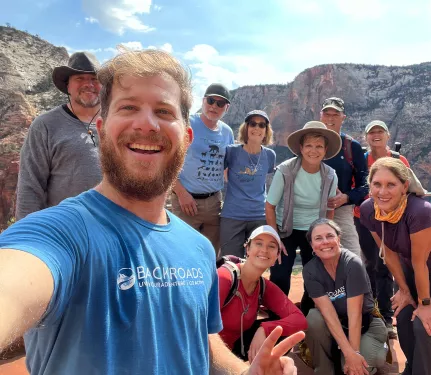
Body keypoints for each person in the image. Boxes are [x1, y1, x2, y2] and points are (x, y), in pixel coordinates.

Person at [0, 49, 304, 375]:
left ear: (187, 139)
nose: (146, 123)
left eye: (163, 111)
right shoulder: (58, 235)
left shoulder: (199, 250)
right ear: (101, 130)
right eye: (129, 107)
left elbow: (200, 337)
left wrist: (246, 372)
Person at [359, 157, 431, 375]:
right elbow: (387, 252)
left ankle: (428, 371)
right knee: (405, 317)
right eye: (377, 184)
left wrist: (425, 303)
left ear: (405, 186)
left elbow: (421, 262)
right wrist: (405, 291)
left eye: (391, 184)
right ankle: (415, 366)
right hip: (411, 266)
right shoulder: (369, 210)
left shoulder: (420, 212)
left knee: (424, 322)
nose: (383, 191)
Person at [16, 51, 103, 220]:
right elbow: (30, 187)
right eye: (79, 79)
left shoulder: (117, 122)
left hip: (114, 227)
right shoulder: (45, 125)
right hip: (64, 231)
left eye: (94, 78)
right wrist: (27, 237)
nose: (88, 84)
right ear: (68, 86)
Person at [303, 218, 388, 375]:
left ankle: (369, 349)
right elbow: (328, 314)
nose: (325, 242)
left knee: (362, 364)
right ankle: (324, 369)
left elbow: (355, 315)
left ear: (339, 238)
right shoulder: (310, 270)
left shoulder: (352, 263)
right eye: (318, 238)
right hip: (337, 324)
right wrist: (349, 353)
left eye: (330, 236)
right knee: (314, 318)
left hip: (365, 325)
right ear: (312, 246)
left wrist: (352, 355)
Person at [266, 121, 340, 296]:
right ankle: (278, 313)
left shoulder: (330, 175)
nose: (313, 151)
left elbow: (330, 208)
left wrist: (327, 235)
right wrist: (275, 239)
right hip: (284, 228)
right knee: (280, 272)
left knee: (314, 273)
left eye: (318, 146)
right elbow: (270, 206)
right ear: (300, 147)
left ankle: (310, 311)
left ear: (325, 149)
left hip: (313, 229)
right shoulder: (285, 171)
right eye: (308, 145)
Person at [354, 120, 411, 338]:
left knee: (386, 266)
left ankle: (386, 318)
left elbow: (408, 187)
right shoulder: (362, 159)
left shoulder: (399, 160)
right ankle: (371, 314)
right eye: (371, 132)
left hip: (392, 219)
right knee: (369, 265)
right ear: (366, 137)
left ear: (387, 135)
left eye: (380, 132)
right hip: (364, 219)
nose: (375, 135)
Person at [218, 225, 307, 362]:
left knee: (279, 332)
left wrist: (264, 328)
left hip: (234, 347)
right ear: (247, 249)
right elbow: (198, 328)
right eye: (258, 243)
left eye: (271, 246)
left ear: (277, 256)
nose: (264, 250)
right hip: (208, 351)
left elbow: (299, 320)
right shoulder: (225, 277)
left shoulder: (263, 286)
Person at [171, 83, 234, 251]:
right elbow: (167, 162)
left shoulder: (227, 132)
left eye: (220, 103)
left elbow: (227, 167)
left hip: (214, 202)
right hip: (186, 202)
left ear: (226, 108)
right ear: (203, 100)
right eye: (211, 100)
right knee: (183, 250)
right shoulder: (186, 123)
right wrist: (182, 194)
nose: (214, 106)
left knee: (211, 253)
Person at [219, 111, 276, 257]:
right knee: (230, 261)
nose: (257, 128)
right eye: (252, 124)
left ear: (266, 131)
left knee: (258, 259)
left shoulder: (270, 155)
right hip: (232, 215)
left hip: (259, 216)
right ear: (246, 127)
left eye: (261, 125)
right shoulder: (231, 152)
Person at [320, 97, 368, 255]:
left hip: (342, 211)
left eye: (335, 114)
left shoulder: (351, 146)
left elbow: (366, 184)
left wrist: (347, 197)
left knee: (353, 256)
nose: (330, 118)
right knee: (315, 257)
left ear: (343, 118)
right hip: (309, 210)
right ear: (321, 116)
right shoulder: (310, 142)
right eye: (327, 114)